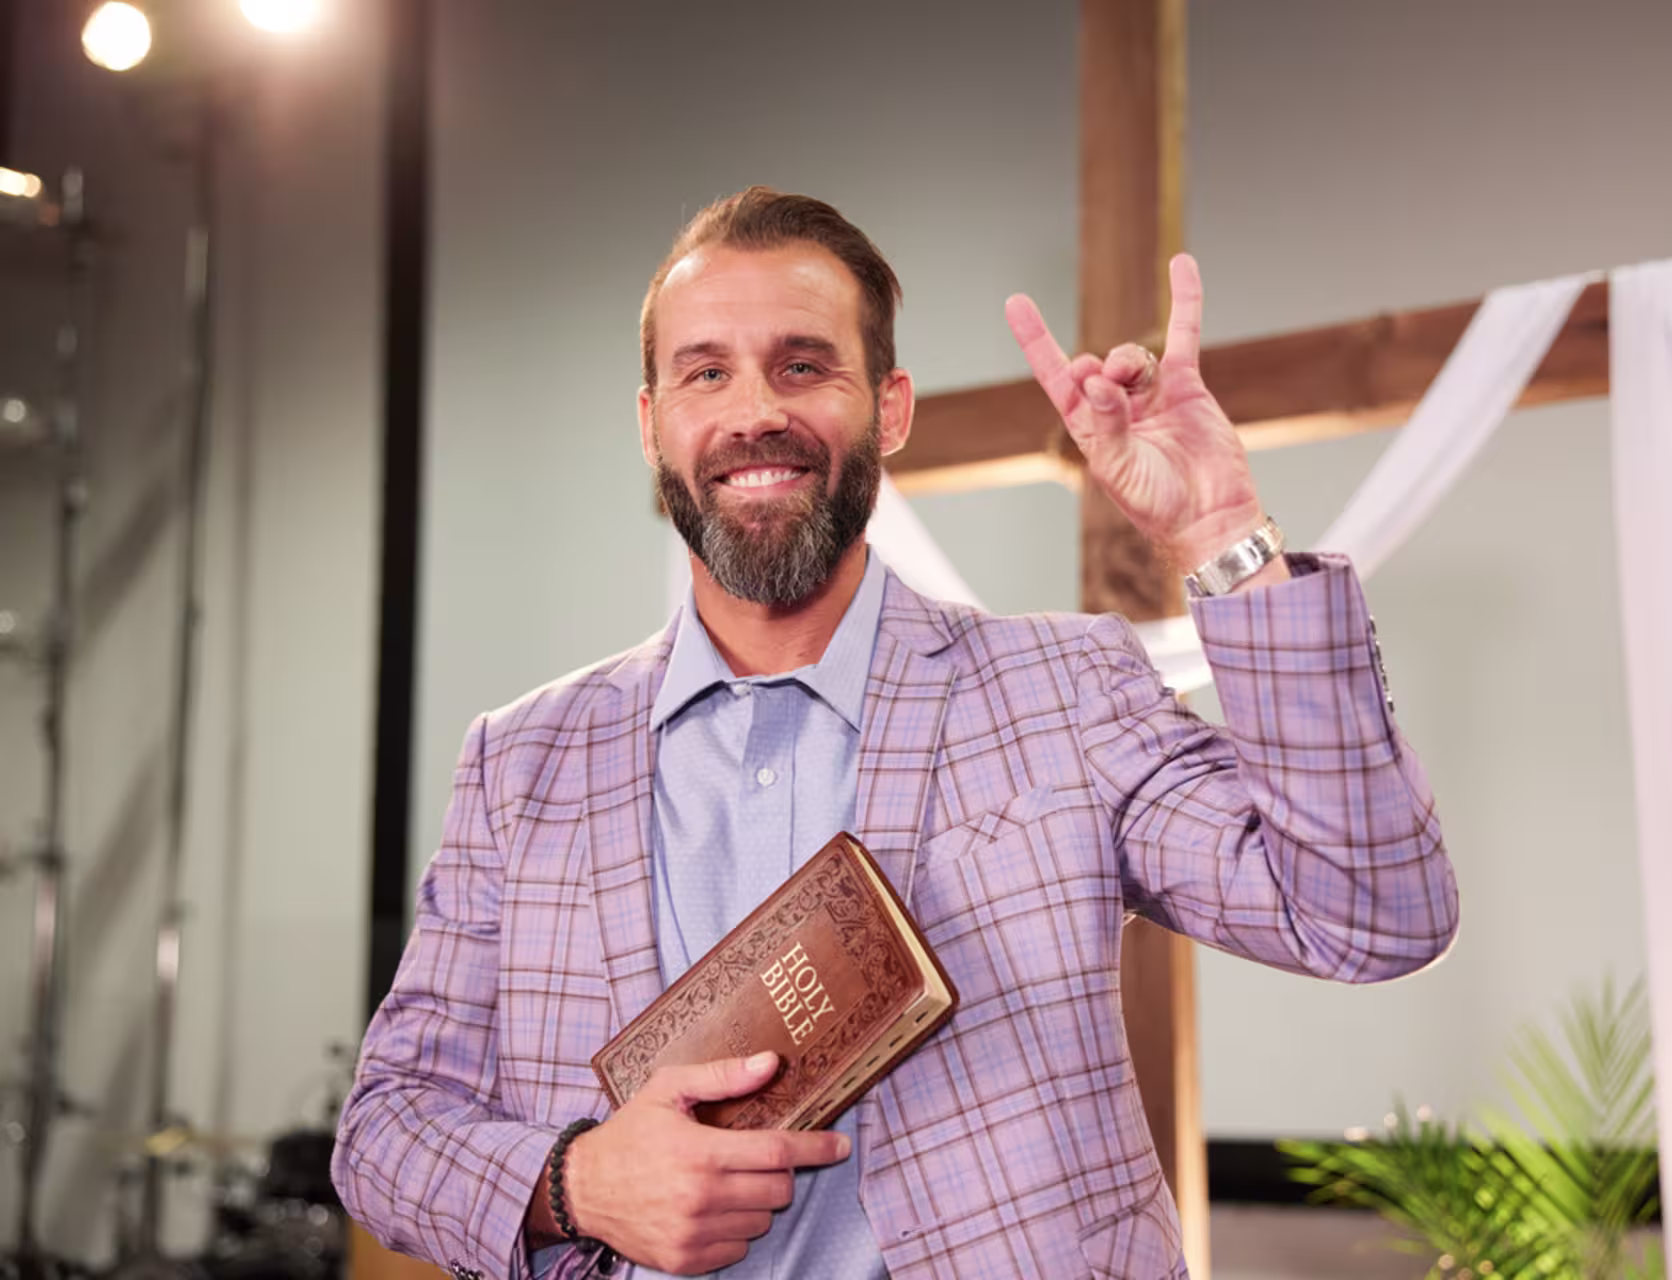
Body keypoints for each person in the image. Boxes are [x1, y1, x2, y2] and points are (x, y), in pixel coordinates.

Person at [332, 187, 1459, 1280]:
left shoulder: (1060, 692)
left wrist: (1222, 532)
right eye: (705, 371)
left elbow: (1370, 916)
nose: (754, 410)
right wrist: (570, 1182)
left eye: (805, 364)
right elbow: (383, 1130)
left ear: (892, 407)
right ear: (652, 423)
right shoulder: (520, 762)